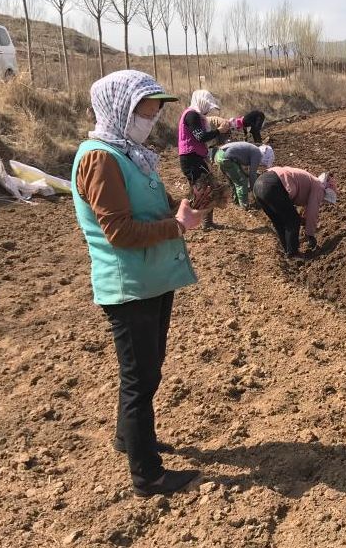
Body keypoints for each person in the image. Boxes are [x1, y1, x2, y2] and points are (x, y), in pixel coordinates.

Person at [72, 70, 208, 498]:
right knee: (139, 378)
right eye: (143, 110)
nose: (151, 117)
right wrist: (177, 226)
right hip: (129, 286)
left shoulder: (130, 153)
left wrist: (180, 206)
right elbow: (121, 233)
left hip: (151, 280)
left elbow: (151, 203)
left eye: (153, 110)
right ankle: (147, 475)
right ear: (118, 108)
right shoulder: (99, 158)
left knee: (145, 372)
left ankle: (128, 438)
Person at [253, 166, 337, 258]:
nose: (322, 200)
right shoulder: (319, 187)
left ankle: (288, 251)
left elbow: (308, 207)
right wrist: (310, 235)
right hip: (273, 185)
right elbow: (312, 211)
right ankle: (293, 253)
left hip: (259, 185)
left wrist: (304, 219)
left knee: (279, 222)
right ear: (327, 190)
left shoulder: (311, 181)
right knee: (293, 220)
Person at [178, 89, 231, 230]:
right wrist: (219, 131)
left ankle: (203, 221)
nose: (208, 110)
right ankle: (189, 220)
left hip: (195, 157)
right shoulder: (191, 115)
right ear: (201, 102)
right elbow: (200, 137)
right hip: (191, 158)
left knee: (206, 189)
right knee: (205, 190)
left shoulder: (197, 116)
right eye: (208, 106)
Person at [214, 142, 274, 209]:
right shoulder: (257, 154)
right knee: (242, 181)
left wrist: (246, 174)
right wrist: (255, 191)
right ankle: (244, 206)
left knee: (236, 180)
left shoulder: (253, 150)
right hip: (225, 157)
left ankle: (236, 201)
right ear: (265, 157)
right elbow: (252, 174)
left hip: (220, 154)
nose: (261, 165)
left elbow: (243, 168)